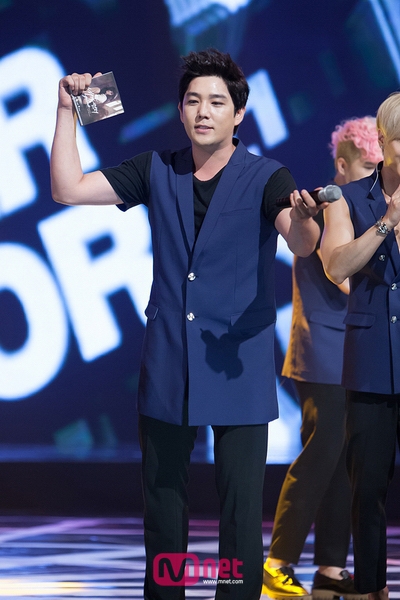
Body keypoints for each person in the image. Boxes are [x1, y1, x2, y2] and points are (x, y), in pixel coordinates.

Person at [50, 48, 326, 600]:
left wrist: (305, 221)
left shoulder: (267, 176)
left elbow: (299, 241)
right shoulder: (155, 167)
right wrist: (66, 111)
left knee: (240, 510)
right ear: (180, 110)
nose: (204, 111)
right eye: (194, 100)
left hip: (237, 362)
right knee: (163, 504)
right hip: (169, 358)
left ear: (238, 114)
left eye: (217, 102)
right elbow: (68, 188)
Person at [263, 117, 382, 600]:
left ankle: (331, 566)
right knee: (321, 453)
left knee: (343, 461)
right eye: (369, 166)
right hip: (322, 351)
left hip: (356, 351)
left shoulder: (369, 207)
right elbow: (346, 278)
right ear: (343, 165)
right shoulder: (329, 203)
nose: (377, 174)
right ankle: (277, 562)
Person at [320, 92, 400, 600]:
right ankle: (371, 588)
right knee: (368, 485)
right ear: (385, 142)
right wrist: (388, 220)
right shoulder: (346, 198)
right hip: (372, 360)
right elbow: (337, 266)